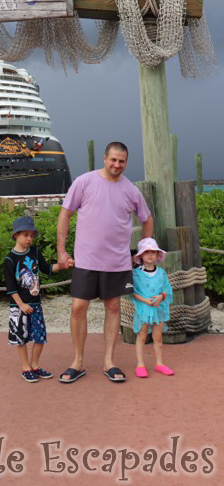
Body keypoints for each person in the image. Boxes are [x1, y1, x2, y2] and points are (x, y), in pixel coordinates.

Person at [57, 141, 154, 383]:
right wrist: (62, 251)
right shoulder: (84, 181)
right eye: (113, 159)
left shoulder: (131, 190)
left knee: (113, 308)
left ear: (126, 163)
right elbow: (65, 214)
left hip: (117, 263)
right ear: (104, 158)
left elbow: (147, 219)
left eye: (121, 161)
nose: (116, 165)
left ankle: (109, 362)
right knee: (78, 308)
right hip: (86, 261)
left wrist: (142, 251)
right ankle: (77, 362)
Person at [4, 216, 73, 383]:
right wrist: (21, 304)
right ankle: (25, 367)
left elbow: (47, 268)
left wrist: (63, 264)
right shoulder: (10, 259)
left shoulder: (35, 252)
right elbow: (11, 286)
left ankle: (35, 365)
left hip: (36, 304)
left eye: (32, 235)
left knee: (40, 336)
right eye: (25, 235)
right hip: (19, 305)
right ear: (16, 235)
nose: (29, 238)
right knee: (20, 338)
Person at [131, 237, 174, 378]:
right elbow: (133, 293)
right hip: (144, 310)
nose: (150, 255)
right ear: (141, 255)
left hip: (158, 309)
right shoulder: (136, 274)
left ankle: (159, 363)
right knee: (142, 336)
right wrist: (145, 300)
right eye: (146, 252)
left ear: (157, 255)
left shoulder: (161, 273)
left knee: (158, 337)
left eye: (153, 252)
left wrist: (161, 296)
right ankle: (140, 365)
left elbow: (166, 289)